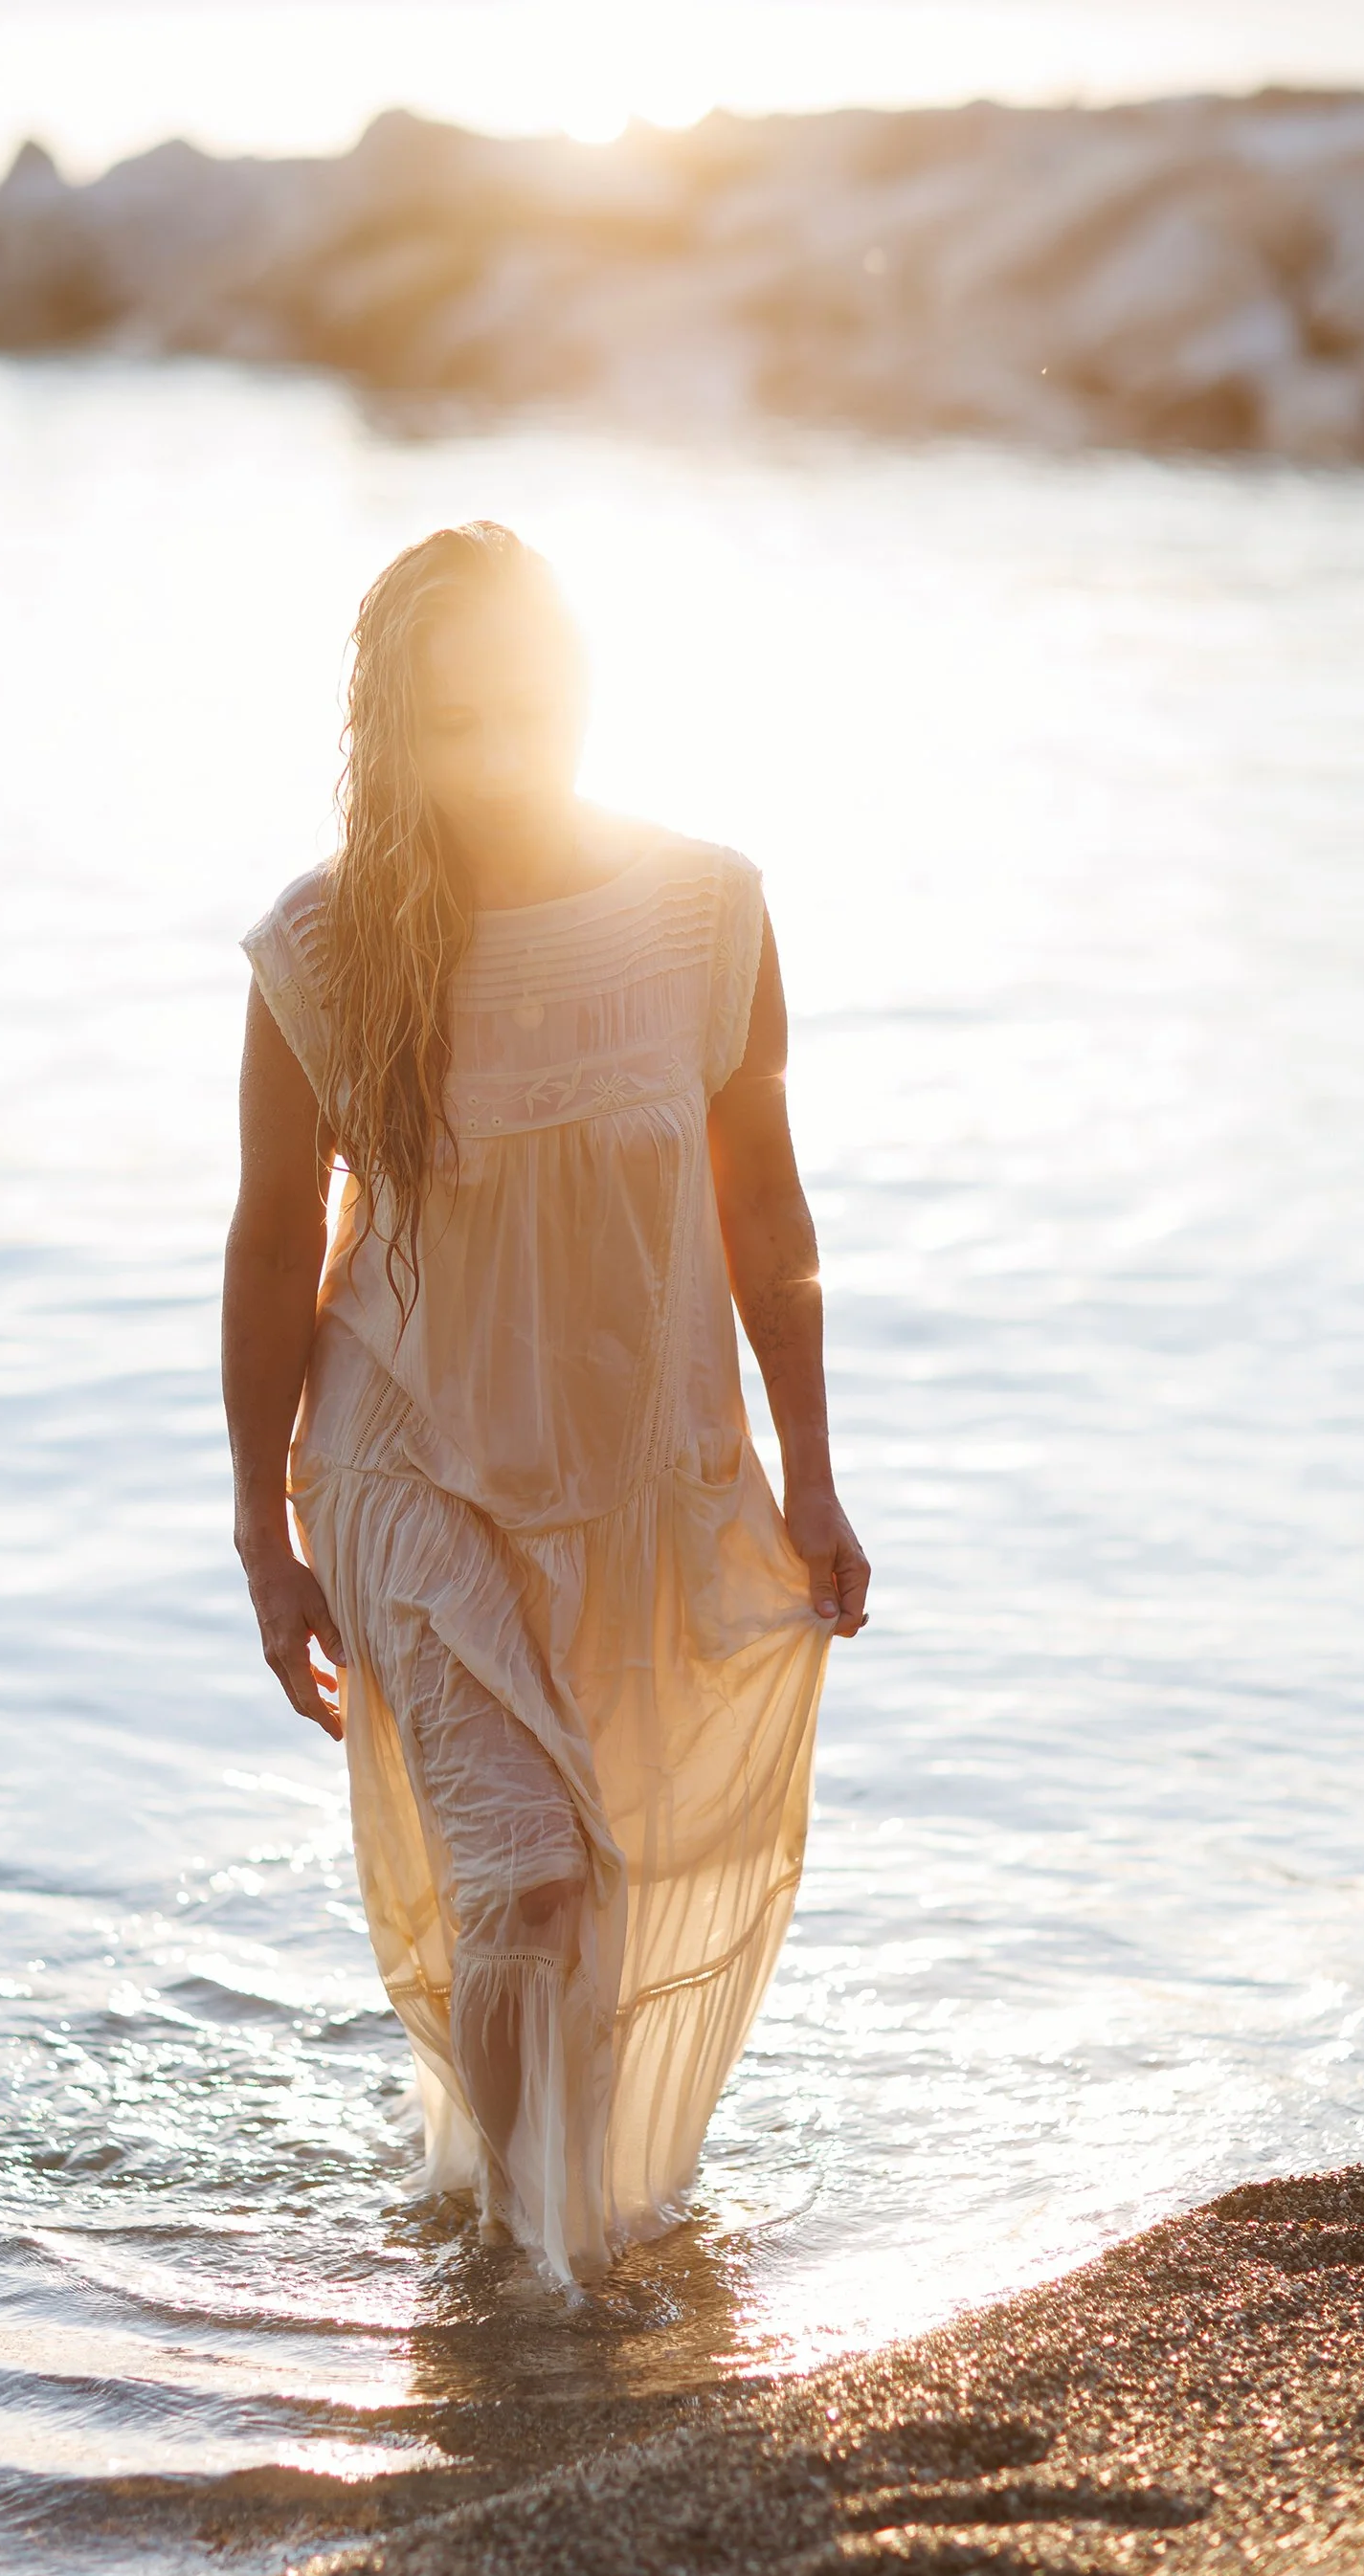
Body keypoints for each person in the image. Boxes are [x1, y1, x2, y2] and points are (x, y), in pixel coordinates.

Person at [223, 522, 867, 2286]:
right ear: (390, 732)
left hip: (636, 1467)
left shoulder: (703, 910)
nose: (492, 753)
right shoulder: (330, 948)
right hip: (403, 1455)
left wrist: (810, 1476)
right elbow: (278, 1246)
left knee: (609, 1872)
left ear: (581, 691)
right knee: (530, 1877)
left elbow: (769, 1213)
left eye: (521, 708)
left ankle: (523, 2223)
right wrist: (263, 1534)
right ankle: (536, 2300)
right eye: (449, 723)